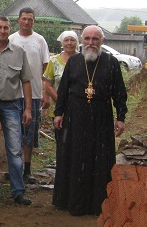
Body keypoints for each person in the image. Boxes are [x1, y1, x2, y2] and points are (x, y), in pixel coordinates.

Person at [52, 25, 127, 216]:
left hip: (101, 115)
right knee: (76, 158)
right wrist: (58, 113)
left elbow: (119, 92)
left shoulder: (111, 62)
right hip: (75, 115)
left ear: (102, 41)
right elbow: (63, 91)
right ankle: (74, 202)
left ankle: (97, 204)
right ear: (82, 41)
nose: (91, 43)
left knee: (99, 159)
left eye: (95, 39)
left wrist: (121, 117)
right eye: (87, 39)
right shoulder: (75, 61)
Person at [0, 16, 33, 205]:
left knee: (14, 148)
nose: (2, 31)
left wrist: (27, 108)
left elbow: (26, 81)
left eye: (6, 28)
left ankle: (18, 190)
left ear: (10, 30)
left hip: (12, 105)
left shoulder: (19, 52)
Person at [9, 7, 49, 184]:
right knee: (13, 133)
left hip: (33, 94)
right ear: (18, 20)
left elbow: (46, 67)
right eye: (24, 19)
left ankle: (27, 169)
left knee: (29, 134)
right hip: (12, 93)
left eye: (30, 19)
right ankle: (14, 169)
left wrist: (43, 91)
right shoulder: (12, 39)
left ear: (34, 21)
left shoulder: (39, 40)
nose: (27, 22)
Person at [42, 30, 80, 123]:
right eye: (66, 40)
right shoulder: (54, 61)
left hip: (79, 106)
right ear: (62, 42)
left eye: (72, 40)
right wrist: (61, 101)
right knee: (61, 135)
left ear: (77, 42)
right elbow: (48, 84)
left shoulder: (83, 60)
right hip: (58, 107)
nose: (69, 43)